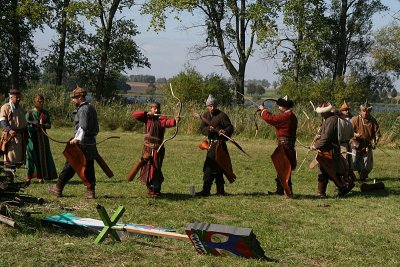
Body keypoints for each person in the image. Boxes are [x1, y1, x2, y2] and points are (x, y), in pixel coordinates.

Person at [48, 87, 99, 199]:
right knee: (89, 166)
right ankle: (90, 192)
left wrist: (77, 138)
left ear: (80, 97)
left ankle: (58, 188)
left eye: (74, 98)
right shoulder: (90, 108)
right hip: (90, 142)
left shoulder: (83, 109)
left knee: (70, 165)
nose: (72, 100)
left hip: (82, 142)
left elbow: (83, 126)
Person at [132, 102, 180, 197]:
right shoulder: (147, 118)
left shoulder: (161, 119)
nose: (157, 110)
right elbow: (135, 115)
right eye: (154, 109)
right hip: (148, 148)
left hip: (158, 148)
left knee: (156, 168)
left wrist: (175, 120)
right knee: (148, 167)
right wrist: (146, 113)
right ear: (151, 109)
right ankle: (150, 189)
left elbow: (167, 123)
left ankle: (156, 189)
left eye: (158, 108)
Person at [311, 101, 354, 197]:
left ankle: (343, 187)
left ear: (327, 111)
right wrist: (319, 137)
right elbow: (323, 134)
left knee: (333, 171)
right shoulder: (327, 119)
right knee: (324, 171)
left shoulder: (331, 120)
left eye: (323, 112)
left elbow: (326, 138)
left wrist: (316, 145)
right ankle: (321, 192)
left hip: (330, 150)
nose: (321, 114)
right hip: (327, 150)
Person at [195, 94, 235, 197]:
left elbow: (230, 127)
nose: (212, 108)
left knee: (216, 167)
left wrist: (223, 131)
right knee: (212, 167)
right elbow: (202, 129)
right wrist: (209, 129)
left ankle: (214, 190)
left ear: (216, 105)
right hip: (211, 144)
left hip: (220, 145)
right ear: (207, 106)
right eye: (210, 106)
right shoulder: (206, 116)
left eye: (214, 105)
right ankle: (210, 190)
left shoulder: (222, 115)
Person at [258, 96, 297, 199]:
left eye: (280, 105)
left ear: (284, 106)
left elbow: (271, 119)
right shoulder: (290, 116)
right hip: (286, 145)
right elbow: (277, 121)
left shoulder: (286, 116)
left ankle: (288, 193)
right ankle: (280, 190)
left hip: (285, 146)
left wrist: (263, 110)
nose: (279, 107)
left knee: (284, 168)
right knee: (281, 167)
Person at [25, 95, 58, 183]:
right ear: (35, 102)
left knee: (43, 157)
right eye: (39, 101)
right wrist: (34, 127)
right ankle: (29, 176)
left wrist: (44, 125)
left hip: (43, 139)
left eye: (42, 101)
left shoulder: (45, 113)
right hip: (32, 138)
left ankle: (41, 176)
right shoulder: (30, 113)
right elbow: (26, 126)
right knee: (32, 156)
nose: (41, 103)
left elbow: (49, 124)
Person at [351, 100, 381, 181]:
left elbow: (377, 134)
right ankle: (350, 177)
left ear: (370, 111)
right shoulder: (355, 119)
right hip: (355, 145)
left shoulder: (373, 121)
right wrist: (355, 135)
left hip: (367, 146)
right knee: (352, 163)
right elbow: (349, 131)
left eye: (367, 111)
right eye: (363, 111)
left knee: (367, 166)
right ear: (361, 111)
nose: (365, 113)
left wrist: (375, 142)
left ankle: (362, 176)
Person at [0, 88, 27, 164]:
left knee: (18, 160)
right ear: (11, 97)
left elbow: (24, 120)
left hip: (20, 136)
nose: (18, 99)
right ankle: (9, 173)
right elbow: (3, 120)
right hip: (10, 137)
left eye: (19, 97)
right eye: (16, 97)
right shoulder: (6, 107)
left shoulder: (21, 108)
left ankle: (13, 172)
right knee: (10, 158)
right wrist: (9, 130)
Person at [337, 101, 356, 183]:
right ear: (341, 111)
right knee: (344, 164)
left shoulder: (347, 122)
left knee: (344, 165)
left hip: (344, 145)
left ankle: (344, 182)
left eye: (348, 110)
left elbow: (351, 135)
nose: (347, 111)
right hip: (342, 145)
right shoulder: (340, 121)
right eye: (345, 110)